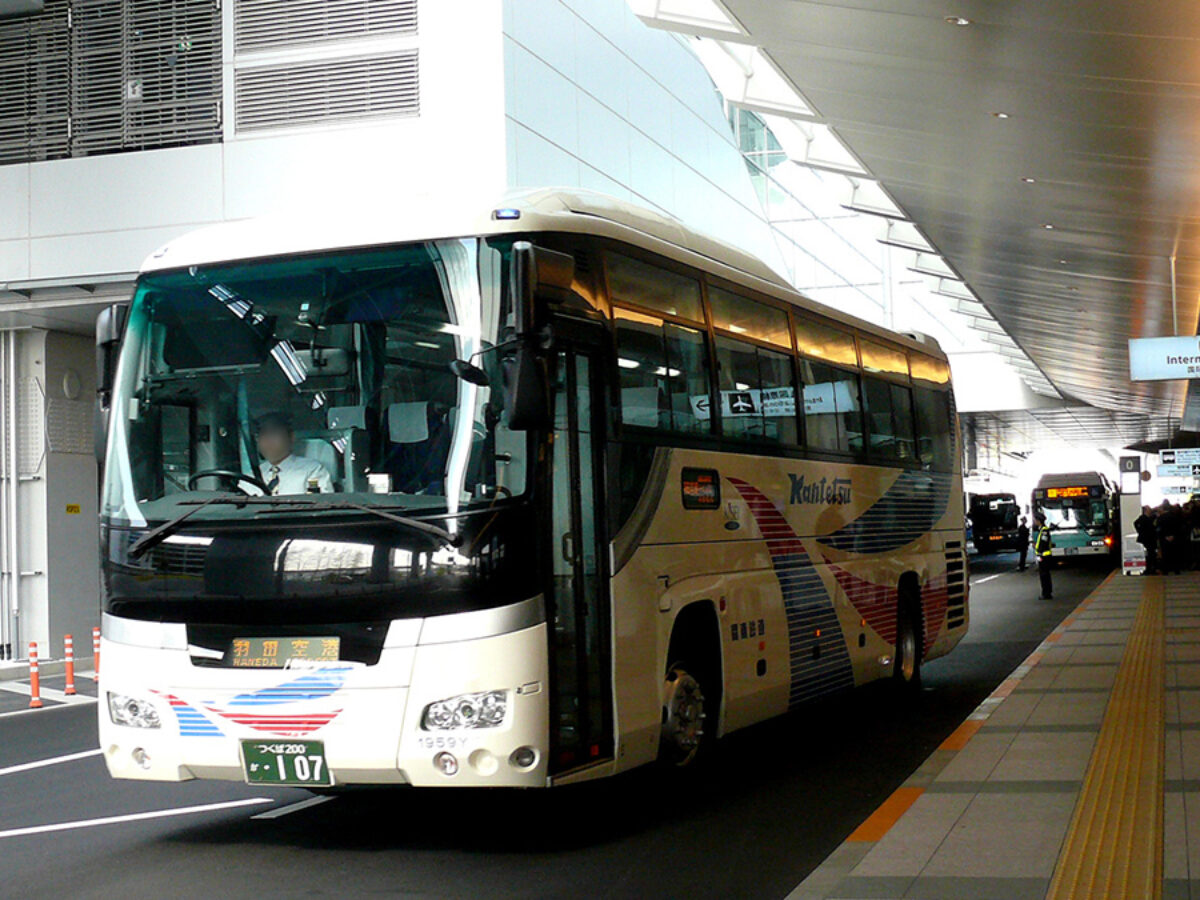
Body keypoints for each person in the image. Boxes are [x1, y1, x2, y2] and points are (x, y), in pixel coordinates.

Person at [252, 412, 334, 495]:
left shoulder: (312, 470)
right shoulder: (252, 475)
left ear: (291, 436)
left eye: (273, 433)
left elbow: (322, 504)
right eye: (263, 434)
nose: (268, 440)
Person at [1157, 500, 1184, 575]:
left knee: (1165, 554)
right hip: (1174, 538)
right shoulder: (1174, 517)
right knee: (1175, 554)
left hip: (1164, 539)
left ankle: (1165, 570)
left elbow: (1159, 529)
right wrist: (1173, 535)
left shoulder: (1161, 518)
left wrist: (1165, 536)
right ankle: (1176, 570)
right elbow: (1178, 527)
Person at [1033, 514, 1053, 599]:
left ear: (1039, 521)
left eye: (1035, 520)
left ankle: (1046, 593)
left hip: (1044, 556)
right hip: (1043, 556)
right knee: (1045, 575)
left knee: (1044, 576)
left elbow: (1043, 544)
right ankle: (1047, 592)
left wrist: (1038, 551)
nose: (1034, 522)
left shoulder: (1044, 530)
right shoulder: (1042, 530)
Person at [1134, 505, 1158, 575]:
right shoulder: (1144, 518)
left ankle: (1150, 568)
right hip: (1148, 539)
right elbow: (1136, 523)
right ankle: (1150, 569)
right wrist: (1141, 531)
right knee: (1151, 553)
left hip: (1149, 538)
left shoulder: (1148, 518)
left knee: (1151, 553)